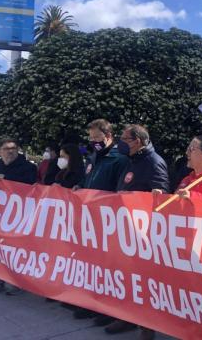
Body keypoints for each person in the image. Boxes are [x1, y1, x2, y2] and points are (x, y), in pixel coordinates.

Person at [102, 125, 170, 338]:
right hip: (125, 229)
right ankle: (126, 318)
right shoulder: (133, 160)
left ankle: (147, 327)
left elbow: (162, 196)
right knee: (125, 278)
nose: (120, 142)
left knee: (143, 281)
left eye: (124, 139)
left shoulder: (153, 162)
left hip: (143, 233)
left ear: (137, 141)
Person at [73, 119, 128, 320]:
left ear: (109, 136)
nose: (94, 141)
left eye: (97, 137)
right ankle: (91, 302)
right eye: (91, 138)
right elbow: (87, 178)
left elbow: (120, 190)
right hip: (90, 219)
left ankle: (108, 308)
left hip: (108, 220)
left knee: (108, 266)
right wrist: (80, 185)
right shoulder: (94, 156)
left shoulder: (119, 158)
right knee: (92, 263)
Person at [0, 138, 37, 295]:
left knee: (18, 251)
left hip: (19, 217)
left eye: (13, 148)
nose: (10, 151)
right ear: (0, 151)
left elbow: (30, 188)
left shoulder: (28, 167)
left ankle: (19, 282)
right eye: (6, 149)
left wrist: (7, 181)